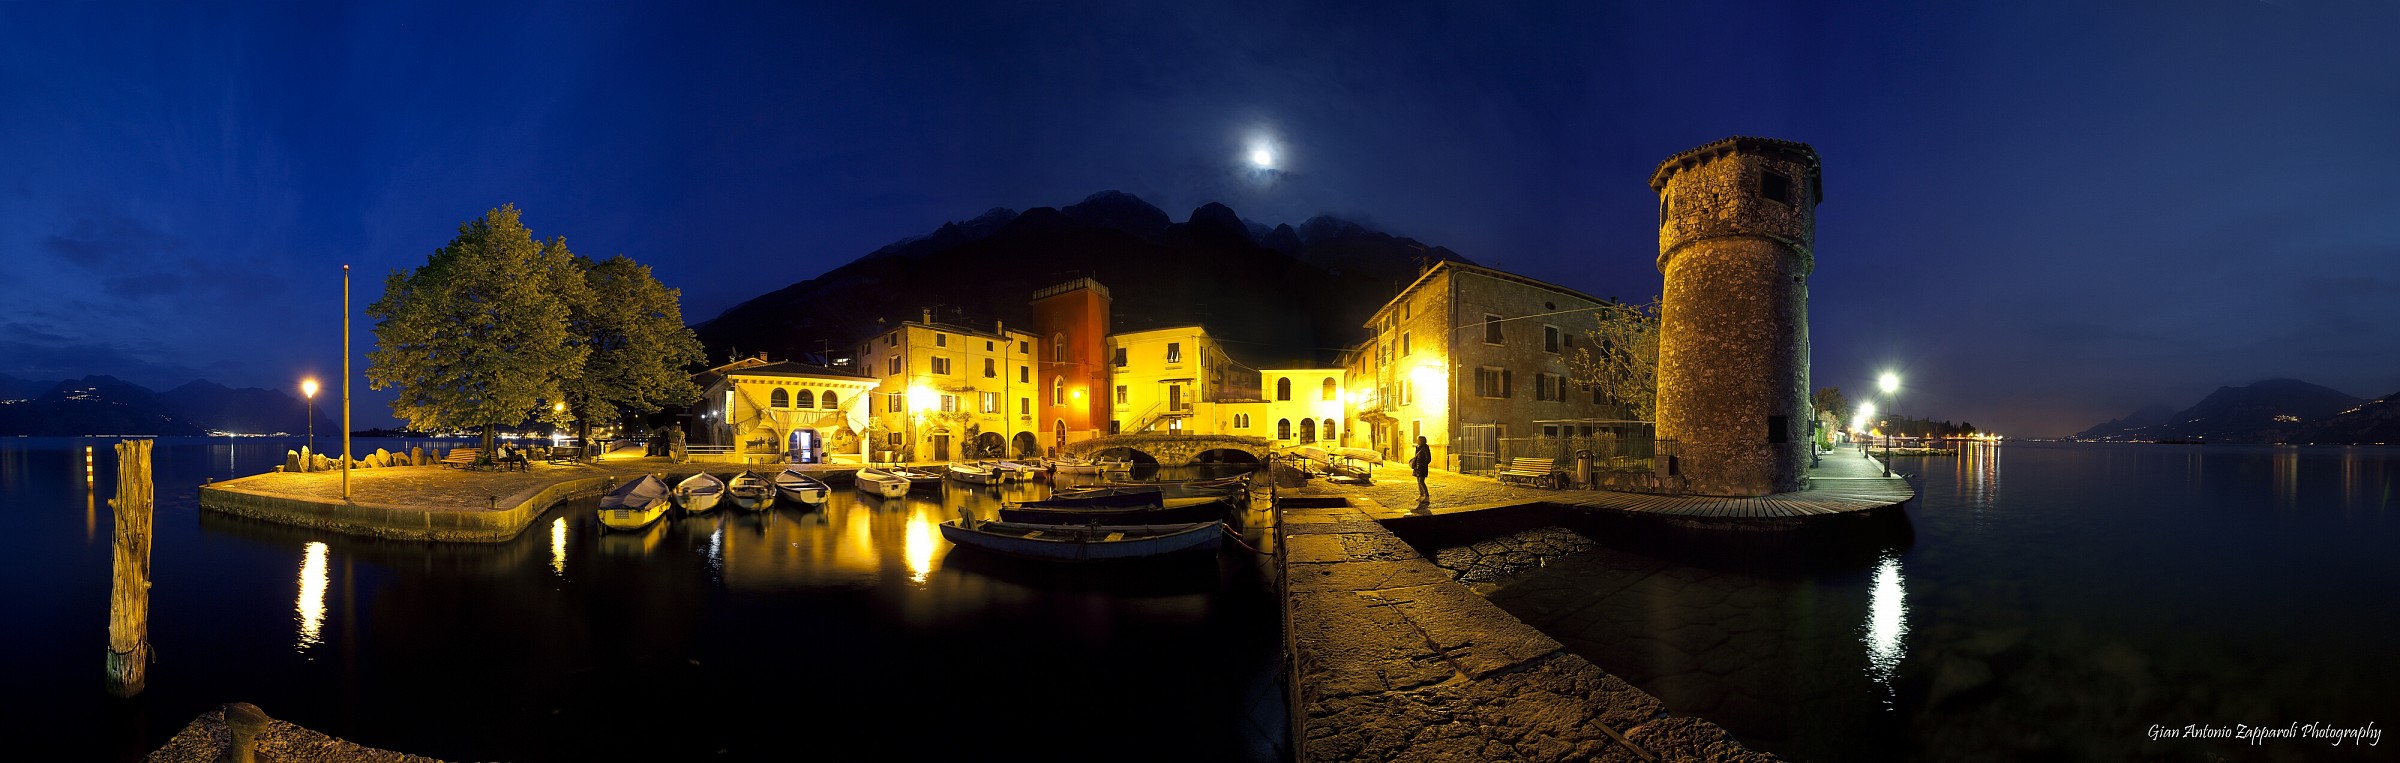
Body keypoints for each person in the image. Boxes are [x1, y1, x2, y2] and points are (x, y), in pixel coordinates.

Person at [1410, 435, 1433, 506]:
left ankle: (1426, 496)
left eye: (1418, 440)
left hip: (1422, 467)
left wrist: (1423, 464)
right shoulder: (1417, 447)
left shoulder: (1425, 447)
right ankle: (1421, 495)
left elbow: (1428, 458)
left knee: (1421, 481)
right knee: (1418, 482)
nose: (1417, 441)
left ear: (1422, 441)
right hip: (1417, 467)